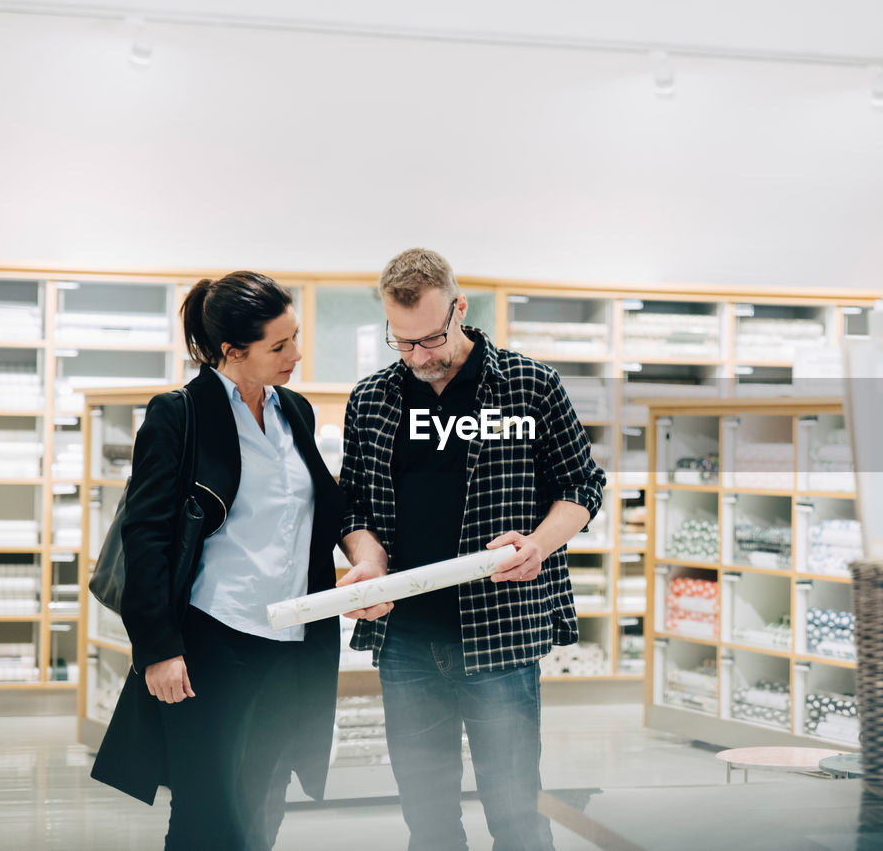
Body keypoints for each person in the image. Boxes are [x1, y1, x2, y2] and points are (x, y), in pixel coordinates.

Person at [90, 271, 390, 850]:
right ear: (232, 352)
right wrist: (159, 649)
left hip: (291, 644)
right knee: (209, 811)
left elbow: (328, 512)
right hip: (212, 644)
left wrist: (364, 565)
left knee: (265, 803)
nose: (296, 355)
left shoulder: (294, 413)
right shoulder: (180, 414)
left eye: (295, 337)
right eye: (279, 346)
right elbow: (147, 535)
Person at [337, 247, 606, 850]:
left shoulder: (530, 386)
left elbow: (582, 486)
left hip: (501, 633)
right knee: (426, 819)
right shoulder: (373, 399)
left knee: (515, 814)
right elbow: (351, 506)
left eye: (431, 339)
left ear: (460, 308)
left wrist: (538, 544)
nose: (419, 357)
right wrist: (369, 562)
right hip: (405, 640)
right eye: (401, 343)